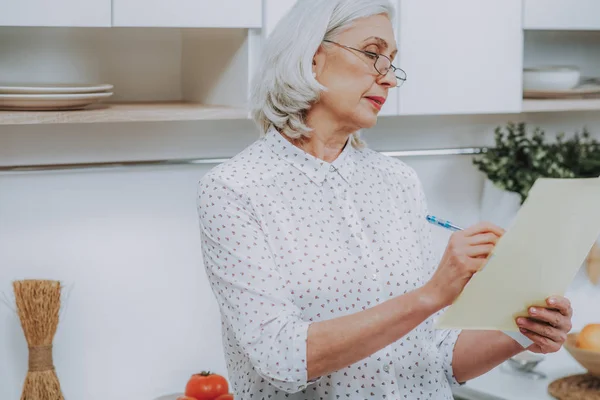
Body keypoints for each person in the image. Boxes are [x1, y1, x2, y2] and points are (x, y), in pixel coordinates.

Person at [196, 0, 573, 398]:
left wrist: (520, 332)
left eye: (391, 63)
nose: (389, 78)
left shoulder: (397, 181)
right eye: (373, 54)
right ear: (310, 58)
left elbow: (437, 356)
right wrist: (431, 294)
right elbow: (280, 358)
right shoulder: (235, 189)